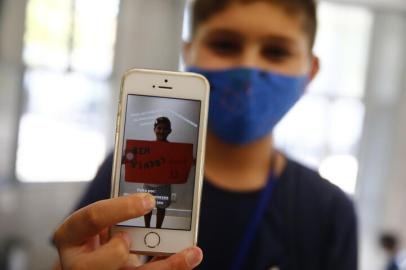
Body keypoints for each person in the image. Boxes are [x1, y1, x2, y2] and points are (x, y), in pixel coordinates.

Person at [53, 0, 358, 269]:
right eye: (225, 45)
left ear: (310, 71)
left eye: (276, 51)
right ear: (189, 53)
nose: (248, 68)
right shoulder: (121, 173)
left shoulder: (329, 211)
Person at [143, 117, 173, 228]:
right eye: (159, 128)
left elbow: (179, 162)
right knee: (147, 207)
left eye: (165, 129)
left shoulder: (174, 148)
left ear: (169, 131)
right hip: (148, 183)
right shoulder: (147, 148)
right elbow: (140, 161)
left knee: (161, 207)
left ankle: (158, 228)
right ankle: (146, 227)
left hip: (164, 185)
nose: (161, 131)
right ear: (154, 129)